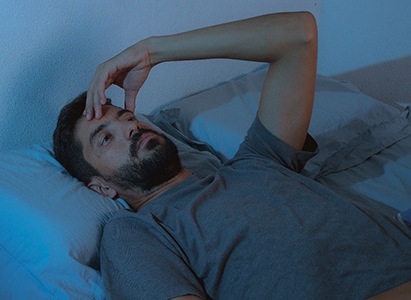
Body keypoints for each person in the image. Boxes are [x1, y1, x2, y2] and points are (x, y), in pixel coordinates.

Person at [53, 12, 411, 299]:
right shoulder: (135, 234)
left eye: (127, 116)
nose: (130, 127)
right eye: (105, 138)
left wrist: (151, 52)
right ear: (100, 187)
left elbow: (298, 34)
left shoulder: (258, 160)